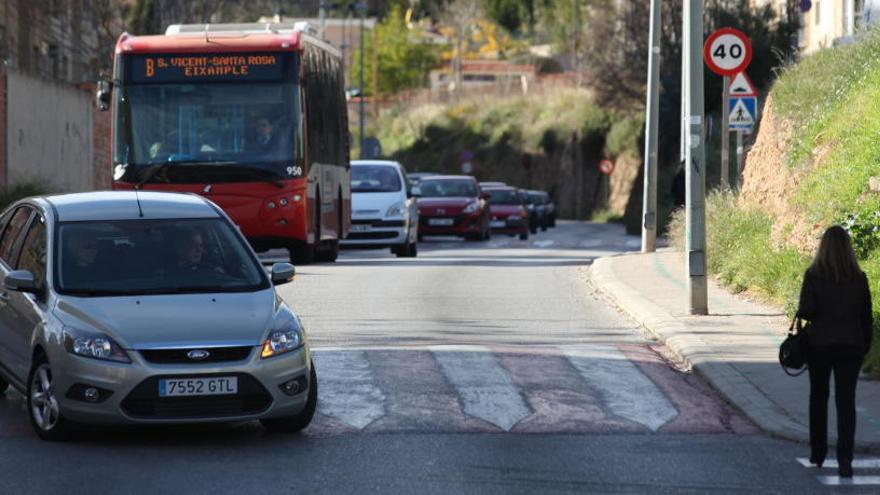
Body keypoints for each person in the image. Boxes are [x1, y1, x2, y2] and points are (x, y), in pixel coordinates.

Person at [797, 225, 873, 478]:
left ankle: (818, 452)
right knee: (846, 403)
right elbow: (866, 318)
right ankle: (845, 460)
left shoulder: (814, 275)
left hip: (819, 346)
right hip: (851, 346)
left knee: (818, 398)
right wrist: (864, 348)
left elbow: (806, 311)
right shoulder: (859, 278)